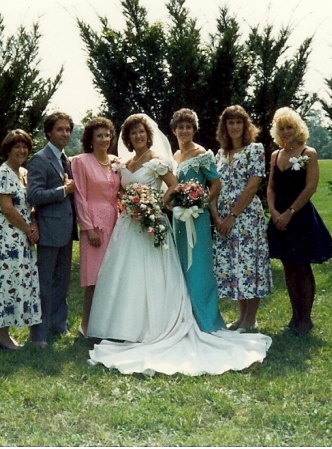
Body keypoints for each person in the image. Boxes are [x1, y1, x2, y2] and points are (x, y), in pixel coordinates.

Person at [86, 114, 271, 376]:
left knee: (187, 269)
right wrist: (135, 204)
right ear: (127, 138)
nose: (138, 136)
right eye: (133, 133)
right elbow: (121, 190)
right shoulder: (127, 162)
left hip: (175, 220)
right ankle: (128, 326)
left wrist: (161, 205)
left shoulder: (166, 159)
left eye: (142, 132)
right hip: (131, 226)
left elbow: (179, 186)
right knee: (131, 275)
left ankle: (200, 320)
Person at [267, 107, 332, 335]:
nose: (286, 132)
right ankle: (294, 316)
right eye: (282, 128)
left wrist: (289, 212)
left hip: (300, 217)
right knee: (288, 266)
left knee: (302, 266)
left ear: (298, 128)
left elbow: (311, 187)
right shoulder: (275, 155)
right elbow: (270, 187)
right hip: (279, 217)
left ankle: (306, 319)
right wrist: (274, 212)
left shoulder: (309, 153)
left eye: (290, 127)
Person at [212, 105, 272, 333]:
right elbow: (215, 187)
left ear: (245, 125)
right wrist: (217, 216)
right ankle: (240, 317)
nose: (235, 127)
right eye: (230, 122)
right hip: (223, 216)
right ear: (224, 127)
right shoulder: (220, 154)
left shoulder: (254, 150)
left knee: (249, 264)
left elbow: (253, 186)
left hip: (246, 217)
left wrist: (233, 216)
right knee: (234, 264)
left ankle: (251, 320)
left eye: (239, 122)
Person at [0, 129, 41, 350]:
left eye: (25, 146)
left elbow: (28, 205)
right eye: (17, 146)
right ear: (8, 149)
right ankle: (1, 336)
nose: (22, 150)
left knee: (17, 283)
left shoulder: (23, 173)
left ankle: (7, 332)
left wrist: (33, 226)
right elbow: (7, 208)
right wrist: (27, 229)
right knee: (5, 282)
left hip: (23, 237)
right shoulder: (3, 173)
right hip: (7, 238)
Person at [170, 108, 226, 333]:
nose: (184, 131)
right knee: (182, 266)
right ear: (174, 130)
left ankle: (206, 319)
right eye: (180, 127)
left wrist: (200, 204)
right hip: (178, 220)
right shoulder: (174, 156)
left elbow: (216, 184)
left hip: (197, 219)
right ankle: (185, 316)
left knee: (200, 267)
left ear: (194, 129)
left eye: (188, 127)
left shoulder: (201, 153)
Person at [27, 111, 78, 347]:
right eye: (60, 129)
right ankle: (38, 334)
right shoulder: (40, 159)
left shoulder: (66, 158)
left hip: (66, 231)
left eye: (68, 129)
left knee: (62, 281)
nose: (65, 134)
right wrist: (62, 191)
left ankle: (58, 325)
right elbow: (34, 195)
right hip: (48, 232)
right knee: (43, 283)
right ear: (49, 132)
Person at [71, 117, 120, 336]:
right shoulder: (81, 161)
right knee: (94, 277)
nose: (104, 139)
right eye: (99, 135)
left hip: (116, 223)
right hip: (94, 223)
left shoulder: (116, 162)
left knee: (111, 275)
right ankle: (86, 325)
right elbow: (80, 196)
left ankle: (108, 324)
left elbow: (121, 191)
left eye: (107, 134)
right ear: (90, 139)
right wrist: (88, 227)